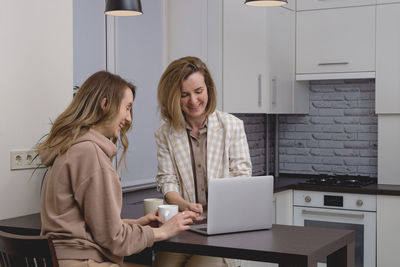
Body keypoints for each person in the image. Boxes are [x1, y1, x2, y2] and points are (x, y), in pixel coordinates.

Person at [36, 71, 197, 267]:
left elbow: (92, 228)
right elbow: (114, 240)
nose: (129, 119)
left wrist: (137, 224)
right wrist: (163, 231)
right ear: (105, 105)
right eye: (127, 108)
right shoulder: (90, 154)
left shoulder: (69, 147)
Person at [153, 56, 252, 267]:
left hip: (224, 227)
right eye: (184, 95)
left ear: (208, 89)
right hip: (184, 226)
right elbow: (167, 181)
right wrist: (183, 204)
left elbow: (242, 179)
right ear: (173, 98)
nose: (193, 101)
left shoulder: (232, 126)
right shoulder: (165, 134)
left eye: (199, 91)